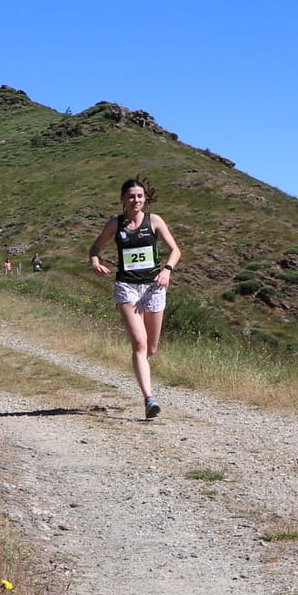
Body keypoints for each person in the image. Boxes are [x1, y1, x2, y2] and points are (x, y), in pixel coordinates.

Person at [89, 176, 179, 420]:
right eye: (131, 196)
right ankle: (149, 399)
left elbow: (175, 250)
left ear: (145, 198)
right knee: (139, 343)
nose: (136, 200)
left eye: (140, 196)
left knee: (151, 348)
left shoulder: (155, 221)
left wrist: (167, 270)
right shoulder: (115, 224)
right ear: (123, 199)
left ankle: (141, 369)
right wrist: (95, 262)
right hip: (127, 287)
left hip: (153, 287)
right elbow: (95, 248)